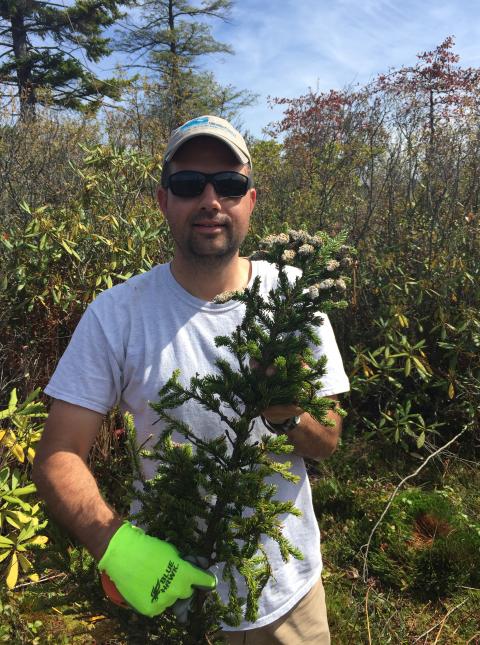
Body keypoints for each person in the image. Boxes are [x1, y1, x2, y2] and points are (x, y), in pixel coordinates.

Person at [33, 115, 350, 644]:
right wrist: (116, 546)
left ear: (250, 199)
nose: (210, 201)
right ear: (163, 200)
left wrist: (289, 414)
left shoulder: (296, 298)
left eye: (228, 184)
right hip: (167, 601)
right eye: (188, 185)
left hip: (288, 601)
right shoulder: (118, 313)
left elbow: (329, 440)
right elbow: (57, 455)